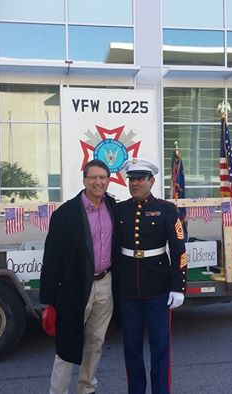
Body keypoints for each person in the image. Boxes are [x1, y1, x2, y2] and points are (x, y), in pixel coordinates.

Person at [40, 159, 117, 394]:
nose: (98, 182)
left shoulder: (112, 206)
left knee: (95, 341)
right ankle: (58, 391)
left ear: (108, 180)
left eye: (102, 177)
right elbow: (52, 257)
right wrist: (50, 298)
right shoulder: (66, 214)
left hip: (105, 283)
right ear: (84, 180)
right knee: (67, 345)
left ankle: (86, 387)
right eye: (93, 177)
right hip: (75, 287)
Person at [115, 158, 187, 394]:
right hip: (128, 289)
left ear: (151, 181)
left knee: (160, 347)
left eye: (140, 179)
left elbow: (178, 249)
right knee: (131, 348)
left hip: (158, 288)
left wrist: (178, 286)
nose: (135, 183)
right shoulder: (120, 209)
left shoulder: (167, 209)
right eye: (131, 179)